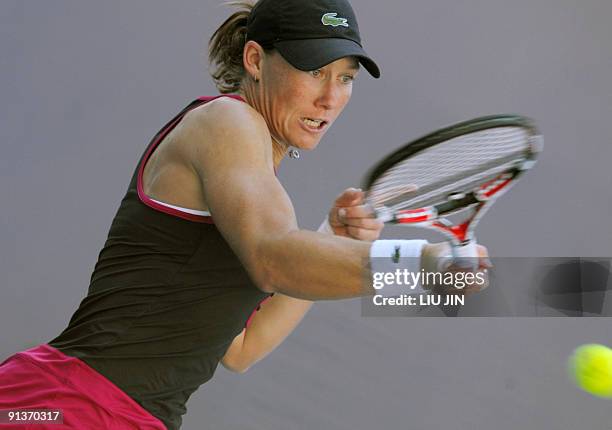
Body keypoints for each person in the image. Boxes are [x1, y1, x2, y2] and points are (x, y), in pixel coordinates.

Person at [0, 0, 489, 428]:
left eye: (345, 78)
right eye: (314, 71)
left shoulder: (254, 174)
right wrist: (423, 264)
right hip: (67, 407)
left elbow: (240, 349)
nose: (331, 97)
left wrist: (329, 235)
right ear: (255, 60)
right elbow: (272, 259)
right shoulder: (228, 121)